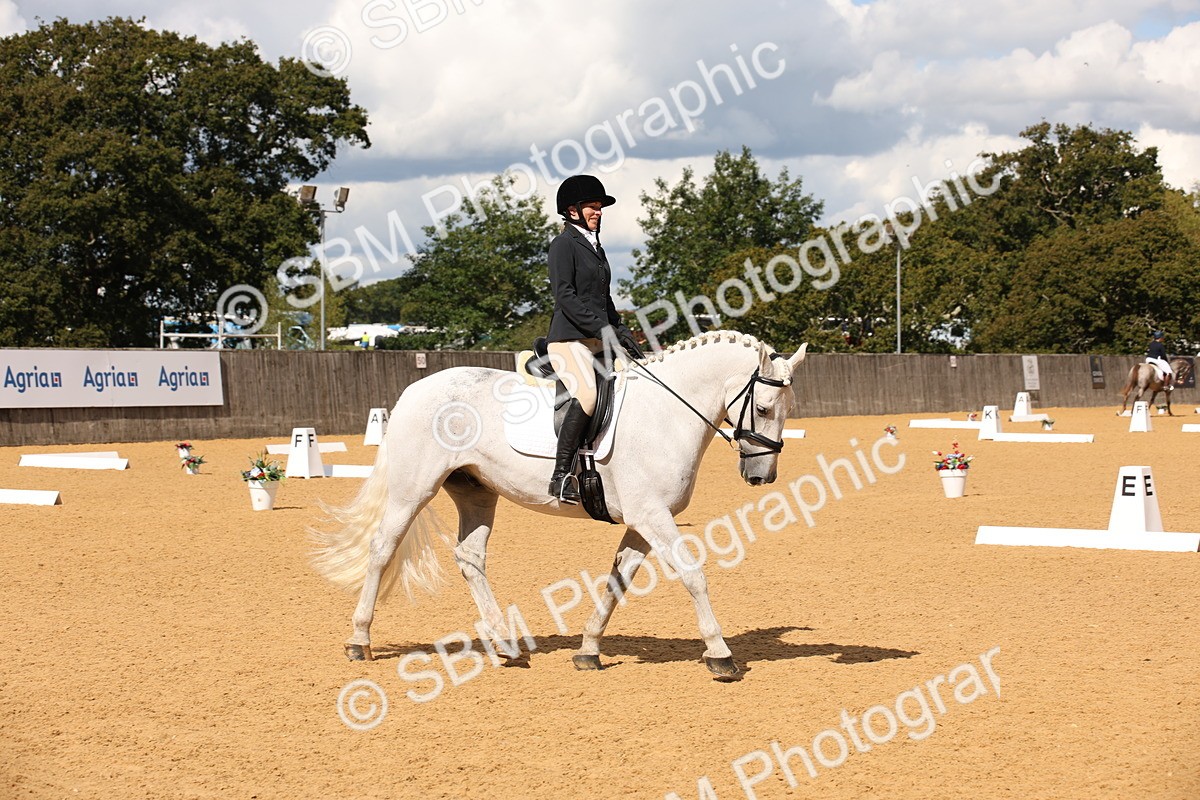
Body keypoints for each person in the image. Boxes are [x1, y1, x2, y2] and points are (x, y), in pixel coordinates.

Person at [546, 174, 644, 504]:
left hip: (598, 341)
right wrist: (603, 330)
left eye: (600, 206)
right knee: (588, 396)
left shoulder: (596, 248)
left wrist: (623, 332)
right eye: (591, 206)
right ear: (572, 211)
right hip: (568, 340)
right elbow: (566, 298)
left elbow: (605, 301)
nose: (598, 211)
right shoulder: (563, 245)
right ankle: (560, 476)